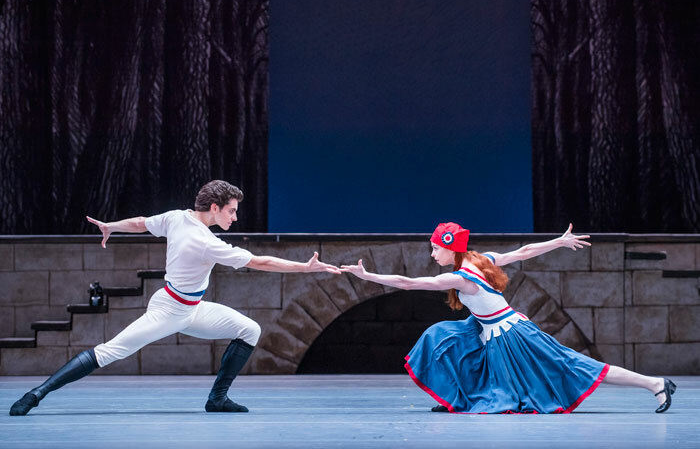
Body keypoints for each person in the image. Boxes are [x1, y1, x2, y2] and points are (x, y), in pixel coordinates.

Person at [10, 180, 340, 416]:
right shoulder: (206, 241)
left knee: (249, 329)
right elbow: (259, 262)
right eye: (232, 211)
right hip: (168, 310)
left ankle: (218, 399)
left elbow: (141, 223)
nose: (235, 218)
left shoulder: (176, 216)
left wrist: (112, 225)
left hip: (192, 309)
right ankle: (36, 394)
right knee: (111, 351)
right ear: (215, 208)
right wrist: (305, 268)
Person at [341, 222, 676, 414]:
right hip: (488, 329)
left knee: (572, 366)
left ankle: (655, 383)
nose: (431, 254)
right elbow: (523, 252)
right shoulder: (480, 259)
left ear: (450, 249)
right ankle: (460, 398)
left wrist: (368, 277)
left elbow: (409, 284)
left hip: (513, 334)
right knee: (444, 339)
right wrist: (557, 242)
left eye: (435, 248)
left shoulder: (462, 276)